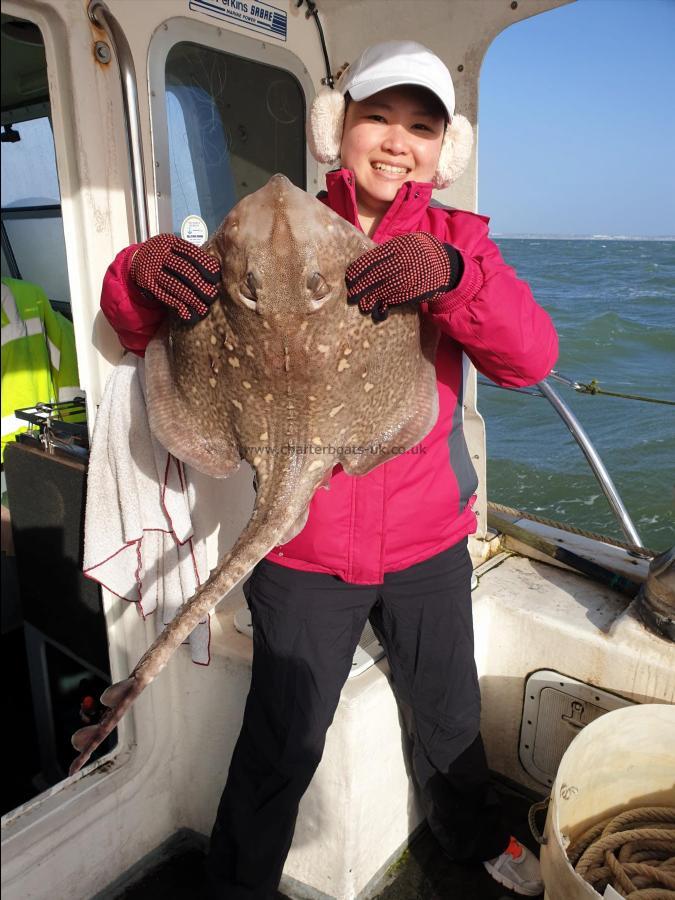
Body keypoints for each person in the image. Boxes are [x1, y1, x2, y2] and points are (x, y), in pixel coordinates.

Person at [100, 40, 558, 899]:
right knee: (282, 742)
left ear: (444, 150)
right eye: (377, 117)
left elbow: (529, 359)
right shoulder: (278, 235)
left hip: (425, 543)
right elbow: (138, 327)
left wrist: (451, 280)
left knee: (452, 721)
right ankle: (237, 885)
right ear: (334, 130)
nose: (396, 141)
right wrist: (136, 275)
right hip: (302, 549)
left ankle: (474, 842)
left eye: (420, 127)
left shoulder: (457, 242)